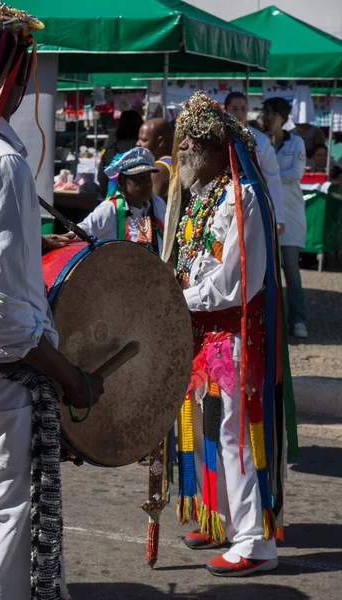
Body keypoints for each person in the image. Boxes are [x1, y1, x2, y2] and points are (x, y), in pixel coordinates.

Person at [0, 3, 104, 600]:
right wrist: (72, 377)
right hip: (4, 381)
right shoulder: (3, 161)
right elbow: (7, 319)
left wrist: (36, 241)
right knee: (11, 518)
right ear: (10, 72)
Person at [166, 91, 297, 576]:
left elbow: (235, 283)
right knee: (207, 435)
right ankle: (221, 518)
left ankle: (255, 543)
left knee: (237, 437)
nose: (182, 152)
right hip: (205, 334)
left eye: (192, 143)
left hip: (234, 334)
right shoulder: (207, 195)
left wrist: (176, 300)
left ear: (219, 146)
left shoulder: (242, 196)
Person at [263, 97, 308, 339]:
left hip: (289, 215)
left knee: (291, 269)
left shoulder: (296, 142)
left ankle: (298, 318)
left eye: (273, 113)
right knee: (266, 271)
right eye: (266, 112)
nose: (269, 117)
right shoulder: (260, 140)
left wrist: (271, 169)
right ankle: (272, 320)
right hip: (266, 214)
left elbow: (295, 173)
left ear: (282, 115)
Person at [78, 147, 166, 254]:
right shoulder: (110, 208)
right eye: (140, 178)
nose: (147, 183)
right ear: (122, 182)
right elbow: (81, 232)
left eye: (148, 177)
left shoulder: (157, 204)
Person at [224, 91, 285, 235]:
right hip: (222, 206)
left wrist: (278, 218)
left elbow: (273, 179)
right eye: (234, 109)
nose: (239, 113)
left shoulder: (261, 141)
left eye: (243, 109)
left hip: (252, 206)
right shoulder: (216, 139)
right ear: (225, 110)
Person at [98, 109, 143, 197]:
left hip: (113, 198)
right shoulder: (143, 150)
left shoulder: (111, 150)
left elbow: (101, 179)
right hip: (139, 199)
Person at [137, 118, 174, 200]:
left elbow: (152, 207)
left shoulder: (157, 170)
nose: (138, 144)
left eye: (144, 140)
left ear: (160, 142)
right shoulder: (174, 162)